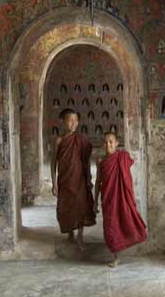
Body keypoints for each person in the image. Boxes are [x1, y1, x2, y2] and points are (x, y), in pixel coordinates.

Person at [94, 132, 147, 267]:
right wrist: (95, 201)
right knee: (111, 225)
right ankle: (116, 254)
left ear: (117, 143)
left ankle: (117, 257)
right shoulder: (100, 161)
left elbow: (131, 161)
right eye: (105, 142)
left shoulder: (122, 157)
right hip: (108, 197)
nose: (108, 145)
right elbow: (98, 181)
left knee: (122, 221)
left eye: (111, 142)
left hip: (121, 197)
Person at [51, 108, 96, 249]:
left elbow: (87, 161)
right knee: (66, 208)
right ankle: (70, 233)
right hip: (65, 180)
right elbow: (53, 162)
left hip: (80, 179)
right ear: (63, 122)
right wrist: (54, 184)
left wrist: (89, 178)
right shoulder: (59, 140)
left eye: (76, 120)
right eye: (70, 120)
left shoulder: (81, 140)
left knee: (82, 206)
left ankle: (80, 237)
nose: (73, 123)